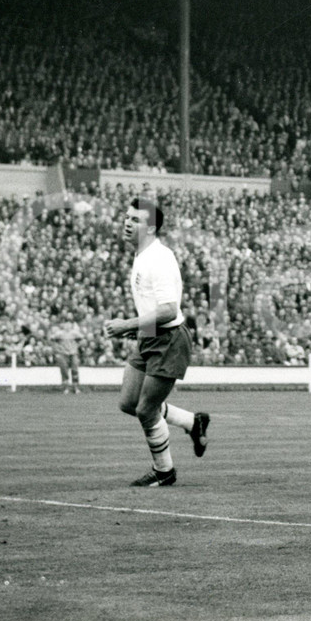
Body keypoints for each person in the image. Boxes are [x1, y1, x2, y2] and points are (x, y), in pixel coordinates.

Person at [103, 197, 210, 487]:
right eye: (126, 217)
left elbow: (168, 310)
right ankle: (192, 422)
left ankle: (164, 471)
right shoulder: (142, 254)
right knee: (129, 403)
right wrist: (137, 328)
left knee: (145, 410)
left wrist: (128, 323)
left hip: (169, 339)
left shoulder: (158, 258)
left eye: (135, 220)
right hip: (151, 334)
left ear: (150, 229)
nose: (126, 222)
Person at [48, 310, 84, 394]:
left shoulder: (75, 333)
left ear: (71, 325)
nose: (67, 326)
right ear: (63, 325)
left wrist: (77, 346)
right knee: (64, 370)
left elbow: (82, 339)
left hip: (73, 353)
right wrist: (57, 348)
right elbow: (51, 339)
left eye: (69, 324)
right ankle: (66, 387)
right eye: (65, 324)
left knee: (75, 369)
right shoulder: (59, 333)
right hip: (63, 354)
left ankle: (76, 387)